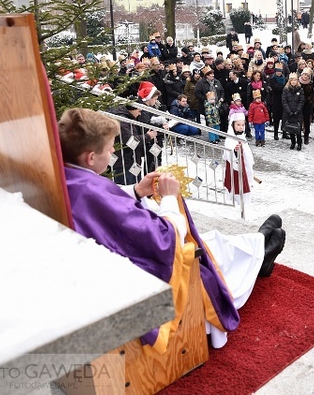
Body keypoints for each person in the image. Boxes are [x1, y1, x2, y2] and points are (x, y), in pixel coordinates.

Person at [58, 108, 285, 351]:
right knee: (215, 250)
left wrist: (137, 191)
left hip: (118, 261)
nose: (113, 151)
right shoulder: (91, 190)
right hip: (142, 275)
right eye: (109, 147)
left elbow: (112, 208)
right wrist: (168, 198)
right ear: (91, 158)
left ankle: (259, 246)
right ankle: (260, 247)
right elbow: (166, 238)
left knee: (214, 243)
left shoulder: (73, 178)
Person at [223, 112, 255, 207]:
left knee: (245, 183)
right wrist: (235, 151)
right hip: (235, 167)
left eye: (242, 124)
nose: (241, 127)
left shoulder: (242, 136)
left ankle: (245, 201)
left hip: (244, 165)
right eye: (238, 125)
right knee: (236, 184)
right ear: (233, 125)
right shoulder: (230, 138)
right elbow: (228, 151)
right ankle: (235, 200)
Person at [282, 73, 304, 150]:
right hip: (289, 112)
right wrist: (289, 111)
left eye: (295, 80)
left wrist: (297, 110)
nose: (294, 82)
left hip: (297, 112)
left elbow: (301, 101)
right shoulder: (286, 89)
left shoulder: (300, 89)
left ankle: (299, 143)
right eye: (292, 80)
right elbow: (284, 101)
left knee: (298, 129)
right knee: (290, 128)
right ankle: (293, 142)